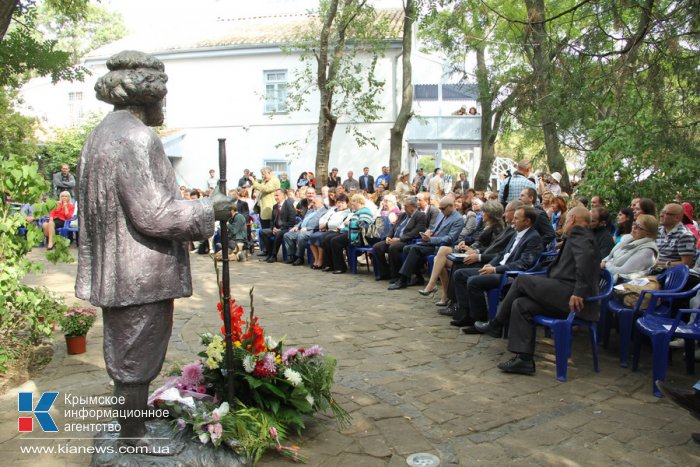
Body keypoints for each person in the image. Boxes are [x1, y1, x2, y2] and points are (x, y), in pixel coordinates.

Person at [75, 50, 233, 443]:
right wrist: (207, 209)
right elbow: (153, 214)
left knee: (129, 351)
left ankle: (134, 424)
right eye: (163, 94)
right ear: (148, 96)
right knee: (136, 357)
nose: (165, 103)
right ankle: (133, 438)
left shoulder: (103, 133)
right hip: (139, 271)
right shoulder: (136, 137)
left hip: (120, 268)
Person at [473, 207, 600, 376]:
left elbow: (585, 261)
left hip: (571, 296)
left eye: (567, 219)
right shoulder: (581, 235)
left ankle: (496, 324)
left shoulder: (579, 232)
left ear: (573, 219)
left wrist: (579, 292)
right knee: (521, 304)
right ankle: (524, 359)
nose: (565, 223)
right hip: (562, 291)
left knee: (522, 280)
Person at [451, 206, 543, 328]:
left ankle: (479, 319)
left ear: (527, 221)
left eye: (516, 218)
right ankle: (467, 314)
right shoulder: (517, 233)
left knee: (473, 281)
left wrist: (495, 269)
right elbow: (502, 254)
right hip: (497, 268)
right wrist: (491, 264)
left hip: (508, 275)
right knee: (460, 274)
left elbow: (523, 264)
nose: (513, 221)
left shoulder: (533, 238)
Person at [420, 201, 507, 305]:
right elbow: (477, 240)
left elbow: (491, 249)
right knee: (438, 259)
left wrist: (475, 251)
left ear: (490, 214)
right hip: (472, 251)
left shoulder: (497, 229)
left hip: (479, 258)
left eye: (484, 212)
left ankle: (436, 288)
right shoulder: (486, 224)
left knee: (442, 253)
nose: (482, 214)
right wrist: (466, 244)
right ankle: (444, 294)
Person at [389, 196, 464, 290]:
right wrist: (429, 232)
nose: (441, 210)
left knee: (414, 249)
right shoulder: (442, 214)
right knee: (407, 248)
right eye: (440, 208)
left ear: (451, 206)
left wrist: (431, 239)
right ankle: (418, 276)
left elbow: (450, 238)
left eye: (443, 208)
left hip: (443, 247)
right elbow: (433, 227)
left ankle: (403, 280)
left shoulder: (458, 219)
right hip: (431, 242)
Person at [373, 196, 426, 281]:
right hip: (394, 238)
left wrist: (399, 239)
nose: (404, 208)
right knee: (377, 247)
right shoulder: (403, 215)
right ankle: (385, 273)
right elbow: (394, 227)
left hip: (406, 240)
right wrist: (389, 236)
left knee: (393, 248)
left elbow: (417, 231)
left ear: (413, 206)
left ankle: (396, 275)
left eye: (406, 206)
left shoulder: (420, 216)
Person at [323, 194, 374, 274]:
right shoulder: (356, 212)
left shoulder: (365, 211)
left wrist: (350, 223)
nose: (352, 203)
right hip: (349, 232)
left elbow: (364, 224)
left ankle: (340, 267)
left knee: (335, 241)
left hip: (357, 236)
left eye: (354, 201)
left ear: (359, 202)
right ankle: (330, 265)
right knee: (327, 238)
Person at [601, 214, 659, 281]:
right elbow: (611, 256)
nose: (633, 227)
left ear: (648, 233)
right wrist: (604, 261)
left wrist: (606, 264)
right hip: (608, 274)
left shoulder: (647, 251)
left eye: (638, 227)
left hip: (619, 283)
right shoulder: (629, 239)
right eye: (634, 224)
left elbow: (623, 271)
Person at [308, 194, 351, 269]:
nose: (340, 204)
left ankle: (326, 263)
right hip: (327, 230)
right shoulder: (333, 210)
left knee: (325, 238)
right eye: (338, 202)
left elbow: (338, 224)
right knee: (312, 236)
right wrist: (322, 223)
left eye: (342, 203)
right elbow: (324, 217)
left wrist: (327, 224)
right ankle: (319, 260)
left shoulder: (347, 212)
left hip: (337, 231)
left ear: (347, 203)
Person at [283, 195, 327, 265]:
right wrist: (297, 226)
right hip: (301, 230)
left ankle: (300, 257)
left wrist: (307, 228)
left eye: (315, 202)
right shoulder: (311, 210)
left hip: (312, 231)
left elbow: (320, 224)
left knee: (301, 236)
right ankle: (292, 256)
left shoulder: (324, 211)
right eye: (313, 202)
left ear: (321, 202)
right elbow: (303, 220)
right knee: (287, 235)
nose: (313, 204)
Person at [258, 189, 296, 263]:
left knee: (279, 234)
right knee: (262, 232)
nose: (275, 197)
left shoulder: (289, 205)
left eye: (277, 195)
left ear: (283, 196)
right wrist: (273, 228)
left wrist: (280, 229)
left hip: (286, 228)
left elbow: (292, 221)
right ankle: (269, 254)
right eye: (275, 195)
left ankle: (274, 255)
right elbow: (272, 220)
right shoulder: (275, 206)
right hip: (276, 228)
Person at [656, 203, 696, 269]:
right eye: (662, 212)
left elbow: (686, 264)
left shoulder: (684, 235)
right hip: (654, 270)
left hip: (672, 275)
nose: (661, 215)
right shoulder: (658, 231)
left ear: (677, 218)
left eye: (666, 213)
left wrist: (660, 264)